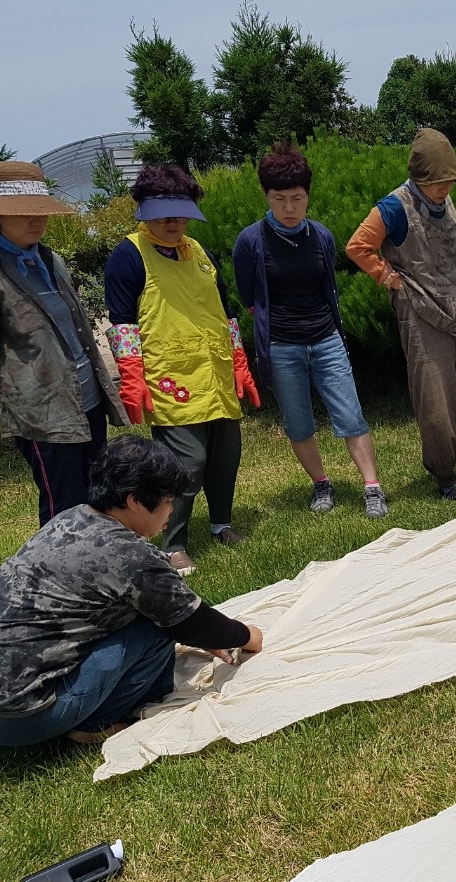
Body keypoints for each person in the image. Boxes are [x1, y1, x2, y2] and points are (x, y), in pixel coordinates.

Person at [0, 436, 263, 747]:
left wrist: (205, 636)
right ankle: (98, 724)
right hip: (14, 719)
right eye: (167, 502)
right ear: (135, 501)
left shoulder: (68, 518)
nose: (171, 512)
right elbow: (191, 622)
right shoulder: (134, 558)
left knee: (145, 612)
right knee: (156, 627)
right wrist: (246, 636)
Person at [104, 164, 260, 576]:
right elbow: (122, 323)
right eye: (163, 214)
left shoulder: (198, 252)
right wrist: (132, 375)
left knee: (225, 456)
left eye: (180, 213)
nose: (173, 223)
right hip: (171, 378)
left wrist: (240, 363)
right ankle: (172, 544)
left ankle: (222, 523)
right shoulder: (128, 255)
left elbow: (225, 312)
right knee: (185, 463)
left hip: (216, 371)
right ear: (143, 211)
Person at [0, 161, 128, 526]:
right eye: (24, 213)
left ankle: (103, 567)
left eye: (42, 211)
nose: (38, 220)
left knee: (100, 494)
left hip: (89, 399)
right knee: (63, 506)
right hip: (42, 413)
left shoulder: (51, 259)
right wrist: (13, 401)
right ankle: (63, 578)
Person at [232, 143, 387, 517]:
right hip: (282, 345)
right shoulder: (250, 241)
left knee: (350, 414)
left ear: (308, 196)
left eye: (297, 198)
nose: (289, 208)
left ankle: (372, 487)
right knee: (298, 422)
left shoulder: (321, 236)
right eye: (279, 198)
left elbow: (327, 285)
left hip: (326, 339)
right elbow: (247, 294)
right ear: (265, 196)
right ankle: (321, 484)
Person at [347, 128, 456, 500]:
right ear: (418, 178)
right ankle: (446, 477)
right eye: (436, 183)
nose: (444, 189)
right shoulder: (394, 206)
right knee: (435, 396)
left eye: (449, 182)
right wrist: (387, 276)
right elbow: (358, 246)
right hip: (420, 312)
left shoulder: (445, 202)